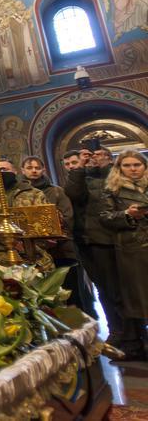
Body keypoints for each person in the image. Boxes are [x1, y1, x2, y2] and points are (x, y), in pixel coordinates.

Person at [65, 142, 125, 347]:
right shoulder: (81, 177)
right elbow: (73, 194)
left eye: (100, 155)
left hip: (118, 239)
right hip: (91, 241)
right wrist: (80, 166)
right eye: (91, 156)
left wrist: (107, 166)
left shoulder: (116, 175)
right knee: (105, 290)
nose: (94, 158)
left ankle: (134, 331)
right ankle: (117, 330)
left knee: (125, 288)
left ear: (110, 158)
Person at [20, 156, 91, 312]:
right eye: (29, 167)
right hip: (34, 251)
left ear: (43, 169)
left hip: (62, 248)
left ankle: (79, 325)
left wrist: (54, 236)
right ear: (22, 170)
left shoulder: (57, 191)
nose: (33, 171)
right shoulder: (20, 194)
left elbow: (67, 216)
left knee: (70, 290)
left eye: (37, 168)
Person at [99, 150, 148, 360]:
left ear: (144, 166)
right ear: (119, 168)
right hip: (131, 249)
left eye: (136, 164)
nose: (132, 169)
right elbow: (105, 217)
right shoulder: (112, 189)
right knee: (136, 298)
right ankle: (134, 344)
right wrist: (127, 214)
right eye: (127, 165)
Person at [0, 159, 55, 268]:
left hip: (35, 253)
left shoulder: (34, 193)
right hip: (2, 256)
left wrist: (27, 245)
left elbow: (46, 225)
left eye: (5, 169)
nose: (1, 173)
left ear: (15, 171)